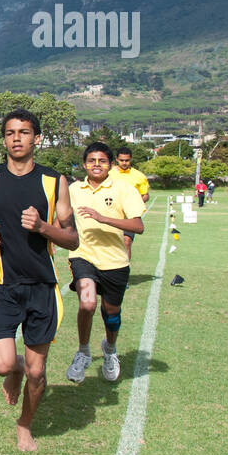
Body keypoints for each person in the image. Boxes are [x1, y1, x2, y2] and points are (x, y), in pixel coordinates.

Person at [0, 108, 78, 452]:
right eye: (9, 132)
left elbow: (72, 238)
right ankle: (15, 370)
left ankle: (24, 425)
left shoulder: (54, 181)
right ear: (3, 138)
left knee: (39, 373)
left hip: (42, 288)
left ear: (37, 138)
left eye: (23, 132)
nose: (16, 138)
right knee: (4, 365)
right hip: (1, 285)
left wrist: (42, 227)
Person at [65, 143, 144, 386]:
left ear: (110, 164)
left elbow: (137, 226)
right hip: (83, 256)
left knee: (111, 313)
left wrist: (102, 218)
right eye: (91, 160)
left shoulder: (124, 188)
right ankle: (83, 352)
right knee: (87, 304)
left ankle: (110, 350)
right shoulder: (73, 189)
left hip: (115, 262)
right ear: (84, 164)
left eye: (101, 160)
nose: (96, 164)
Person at [113, 147, 149, 259]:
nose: (124, 163)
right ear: (116, 159)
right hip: (111, 213)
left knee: (127, 242)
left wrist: (135, 203)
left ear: (131, 159)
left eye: (127, 160)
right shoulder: (108, 174)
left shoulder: (139, 176)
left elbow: (146, 195)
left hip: (130, 216)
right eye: (121, 160)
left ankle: (125, 271)